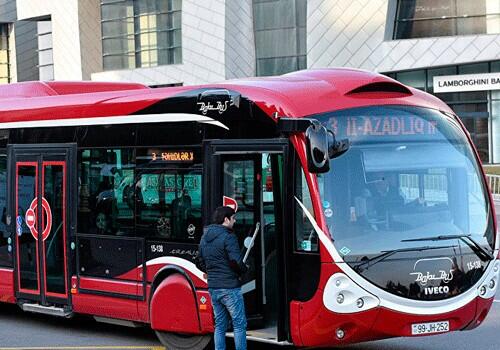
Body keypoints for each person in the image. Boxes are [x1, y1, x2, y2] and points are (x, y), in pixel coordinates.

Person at [196, 206, 248, 350]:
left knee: (220, 324)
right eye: (233, 218)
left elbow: (199, 260)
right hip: (230, 287)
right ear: (226, 219)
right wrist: (244, 269)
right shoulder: (228, 236)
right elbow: (235, 262)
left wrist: (210, 272)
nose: (235, 221)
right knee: (239, 324)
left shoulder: (204, 237)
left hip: (213, 287)